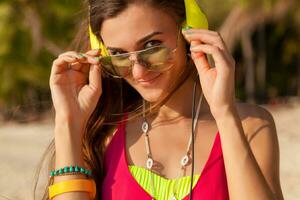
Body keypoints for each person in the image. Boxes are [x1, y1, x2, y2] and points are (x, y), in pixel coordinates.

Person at [44, 0, 284, 199]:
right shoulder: (104, 135)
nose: (138, 72)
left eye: (152, 46)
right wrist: (68, 122)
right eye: (118, 55)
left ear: (189, 32)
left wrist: (224, 114)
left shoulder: (250, 125)